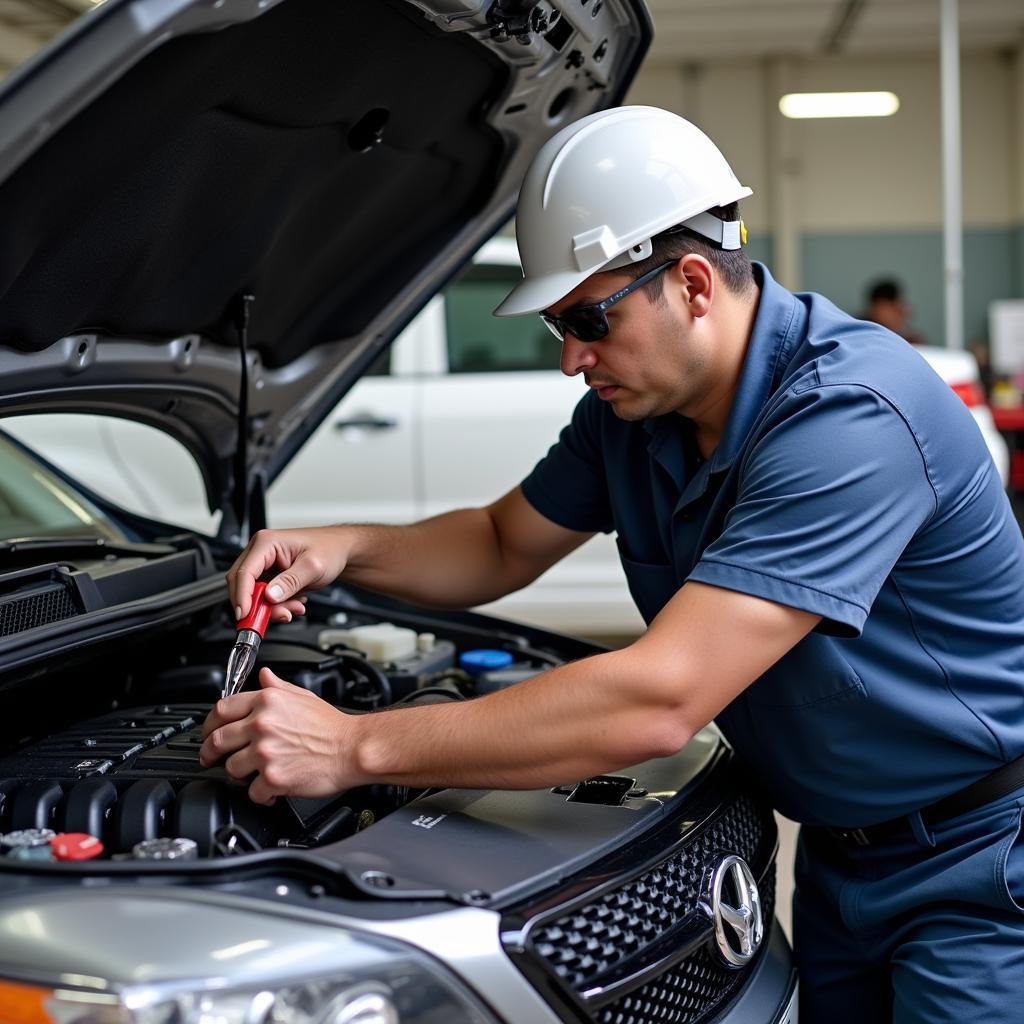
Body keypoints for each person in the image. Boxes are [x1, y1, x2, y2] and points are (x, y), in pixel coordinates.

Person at [199, 106, 1024, 1022]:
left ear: (696, 283)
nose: (570, 359)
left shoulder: (851, 417)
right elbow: (502, 542)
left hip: (980, 865)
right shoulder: (631, 415)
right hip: (840, 857)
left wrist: (353, 748)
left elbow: (658, 699)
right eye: (558, 324)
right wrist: (344, 549)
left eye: (590, 318)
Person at [861, 277, 927, 345]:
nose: (901, 313)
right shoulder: (861, 334)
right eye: (892, 308)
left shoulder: (910, 340)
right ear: (875, 308)